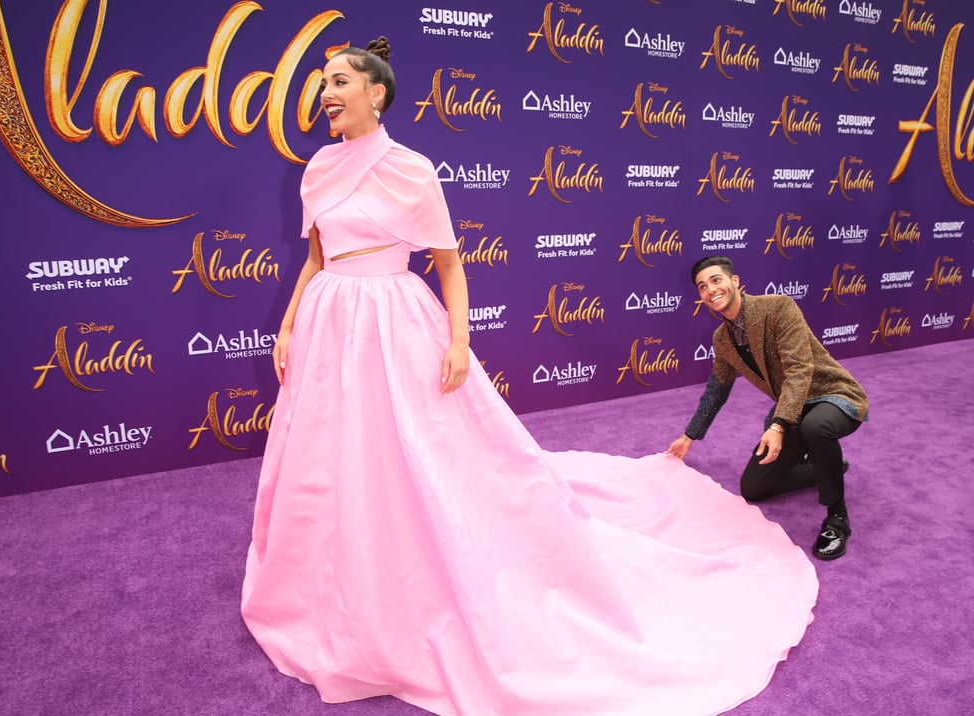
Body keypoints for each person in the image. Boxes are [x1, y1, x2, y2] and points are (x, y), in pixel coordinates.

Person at [241, 39, 818, 716]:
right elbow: (315, 258)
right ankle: (324, 587)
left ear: (377, 93)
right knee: (326, 463)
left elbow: (450, 264)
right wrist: (287, 324)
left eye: (338, 81)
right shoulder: (317, 167)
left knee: (413, 459)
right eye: (321, 85)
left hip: (395, 322)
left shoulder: (413, 170)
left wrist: (458, 341)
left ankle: (406, 582)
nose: (326, 94)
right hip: (328, 322)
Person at [667, 256, 869, 561]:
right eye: (702, 286)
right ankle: (825, 466)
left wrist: (778, 425)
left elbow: (800, 369)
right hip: (794, 411)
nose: (710, 289)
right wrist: (689, 436)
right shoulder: (722, 339)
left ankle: (837, 516)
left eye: (716, 280)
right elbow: (717, 390)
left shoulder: (777, 307)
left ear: (735, 281)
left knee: (816, 427)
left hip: (832, 395)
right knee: (754, 487)